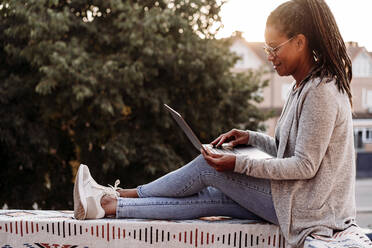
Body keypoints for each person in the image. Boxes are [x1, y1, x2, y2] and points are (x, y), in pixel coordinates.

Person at [73, 0, 357, 247]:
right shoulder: (302, 87)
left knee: (209, 167)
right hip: (301, 201)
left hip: (310, 209)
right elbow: (288, 151)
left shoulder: (321, 91)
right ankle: (110, 206)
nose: (269, 55)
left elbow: (305, 165)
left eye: (274, 47)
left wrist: (237, 164)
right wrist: (252, 138)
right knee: (210, 197)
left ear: (300, 41)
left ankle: (120, 193)